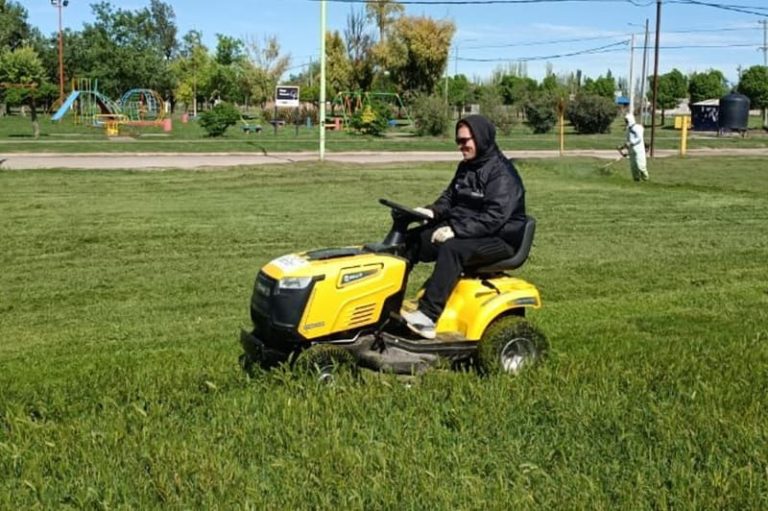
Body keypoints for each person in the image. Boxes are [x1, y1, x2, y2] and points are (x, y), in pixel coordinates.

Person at [400, 114, 527, 339]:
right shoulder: (466, 167)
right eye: (458, 141)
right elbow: (450, 198)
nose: (461, 146)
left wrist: (456, 231)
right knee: (411, 241)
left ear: (481, 138)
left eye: (465, 140)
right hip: (470, 229)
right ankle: (389, 302)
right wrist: (432, 211)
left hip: (501, 239)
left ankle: (428, 317)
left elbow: (494, 218)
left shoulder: (502, 174)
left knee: (453, 248)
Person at [621, 113, 649, 182]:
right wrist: (624, 146)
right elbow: (628, 139)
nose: (626, 122)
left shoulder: (638, 128)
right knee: (633, 167)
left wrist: (631, 142)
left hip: (639, 150)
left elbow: (639, 138)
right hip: (632, 150)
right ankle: (636, 180)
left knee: (641, 166)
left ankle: (646, 179)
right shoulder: (628, 129)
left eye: (627, 121)